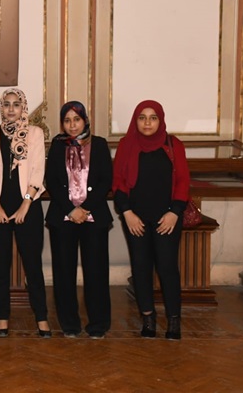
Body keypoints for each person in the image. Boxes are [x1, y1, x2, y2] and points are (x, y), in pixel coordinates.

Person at [113, 100, 190, 340]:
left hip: (167, 218)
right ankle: (148, 318)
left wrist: (174, 212)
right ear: (135, 120)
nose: (147, 122)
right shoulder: (127, 144)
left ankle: (174, 321)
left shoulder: (173, 144)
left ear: (160, 120)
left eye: (153, 117)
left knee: (167, 268)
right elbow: (118, 182)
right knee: (141, 268)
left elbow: (183, 181)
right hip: (135, 219)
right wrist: (127, 213)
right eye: (142, 117)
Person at [0, 88, 51, 338]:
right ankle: (2, 317)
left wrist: (25, 204)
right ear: (1, 108)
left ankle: (41, 317)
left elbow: (37, 171)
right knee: (0, 266)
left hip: (28, 207)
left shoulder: (35, 133)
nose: (11, 109)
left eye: (16, 104)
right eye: (7, 104)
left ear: (23, 107)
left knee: (33, 265)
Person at [45, 101, 113, 339]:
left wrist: (85, 208)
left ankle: (98, 324)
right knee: (64, 272)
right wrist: (71, 210)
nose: (72, 125)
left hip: (94, 216)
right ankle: (69, 323)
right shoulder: (57, 146)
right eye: (67, 120)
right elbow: (52, 182)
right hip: (63, 217)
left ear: (85, 120)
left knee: (96, 272)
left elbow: (106, 180)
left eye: (76, 119)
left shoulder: (100, 144)